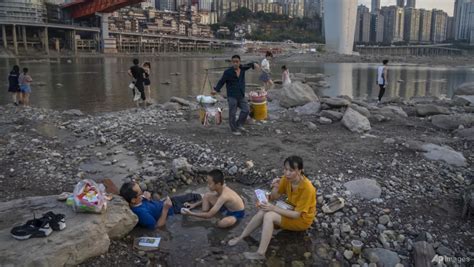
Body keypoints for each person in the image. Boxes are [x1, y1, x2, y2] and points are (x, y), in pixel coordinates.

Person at [228, 156, 317, 260]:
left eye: (291, 170)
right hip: (290, 208)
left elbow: (297, 214)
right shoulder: (286, 179)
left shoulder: (308, 188)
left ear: (300, 171)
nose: (287, 173)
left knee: (269, 215)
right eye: (285, 169)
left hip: (302, 219)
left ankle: (260, 253)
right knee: (263, 211)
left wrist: (273, 208)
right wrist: (275, 187)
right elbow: (274, 197)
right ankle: (242, 236)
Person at [119, 181, 202, 229]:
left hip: (167, 202)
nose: (142, 193)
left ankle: (208, 196)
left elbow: (147, 202)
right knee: (194, 207)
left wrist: (147, 196)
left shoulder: (138, 200)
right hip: (173, 210)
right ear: (133, 200)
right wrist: (165, 209)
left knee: (192, 196)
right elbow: (157, 226)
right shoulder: (141, 213)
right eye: (140, 192)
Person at [181, 169, 245, 228]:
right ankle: (204, 213)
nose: (207, 185)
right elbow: (213, 197)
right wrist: (194, 205)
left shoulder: (224, 196)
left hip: (236, 213)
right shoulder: (221, 188)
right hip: (226, 207)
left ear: (218, 184)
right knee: (207, 195)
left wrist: (191, 214)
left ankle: (212, 221)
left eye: (209, 184)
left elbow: (209, 215)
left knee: (223, 223)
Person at [212, 55, 258, 136]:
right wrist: (216, 90)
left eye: (237, 62)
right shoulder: (228, 72)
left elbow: (250, 64)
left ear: (239, 62)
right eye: (234, 62)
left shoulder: (243, 68)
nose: (235, 63)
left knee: (246, 109)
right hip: (232, 95)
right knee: (232, 113)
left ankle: (239, 124)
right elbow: (221, 81)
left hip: (241, 95)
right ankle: (234, 129)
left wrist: (254, 64)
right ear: (231, 62)